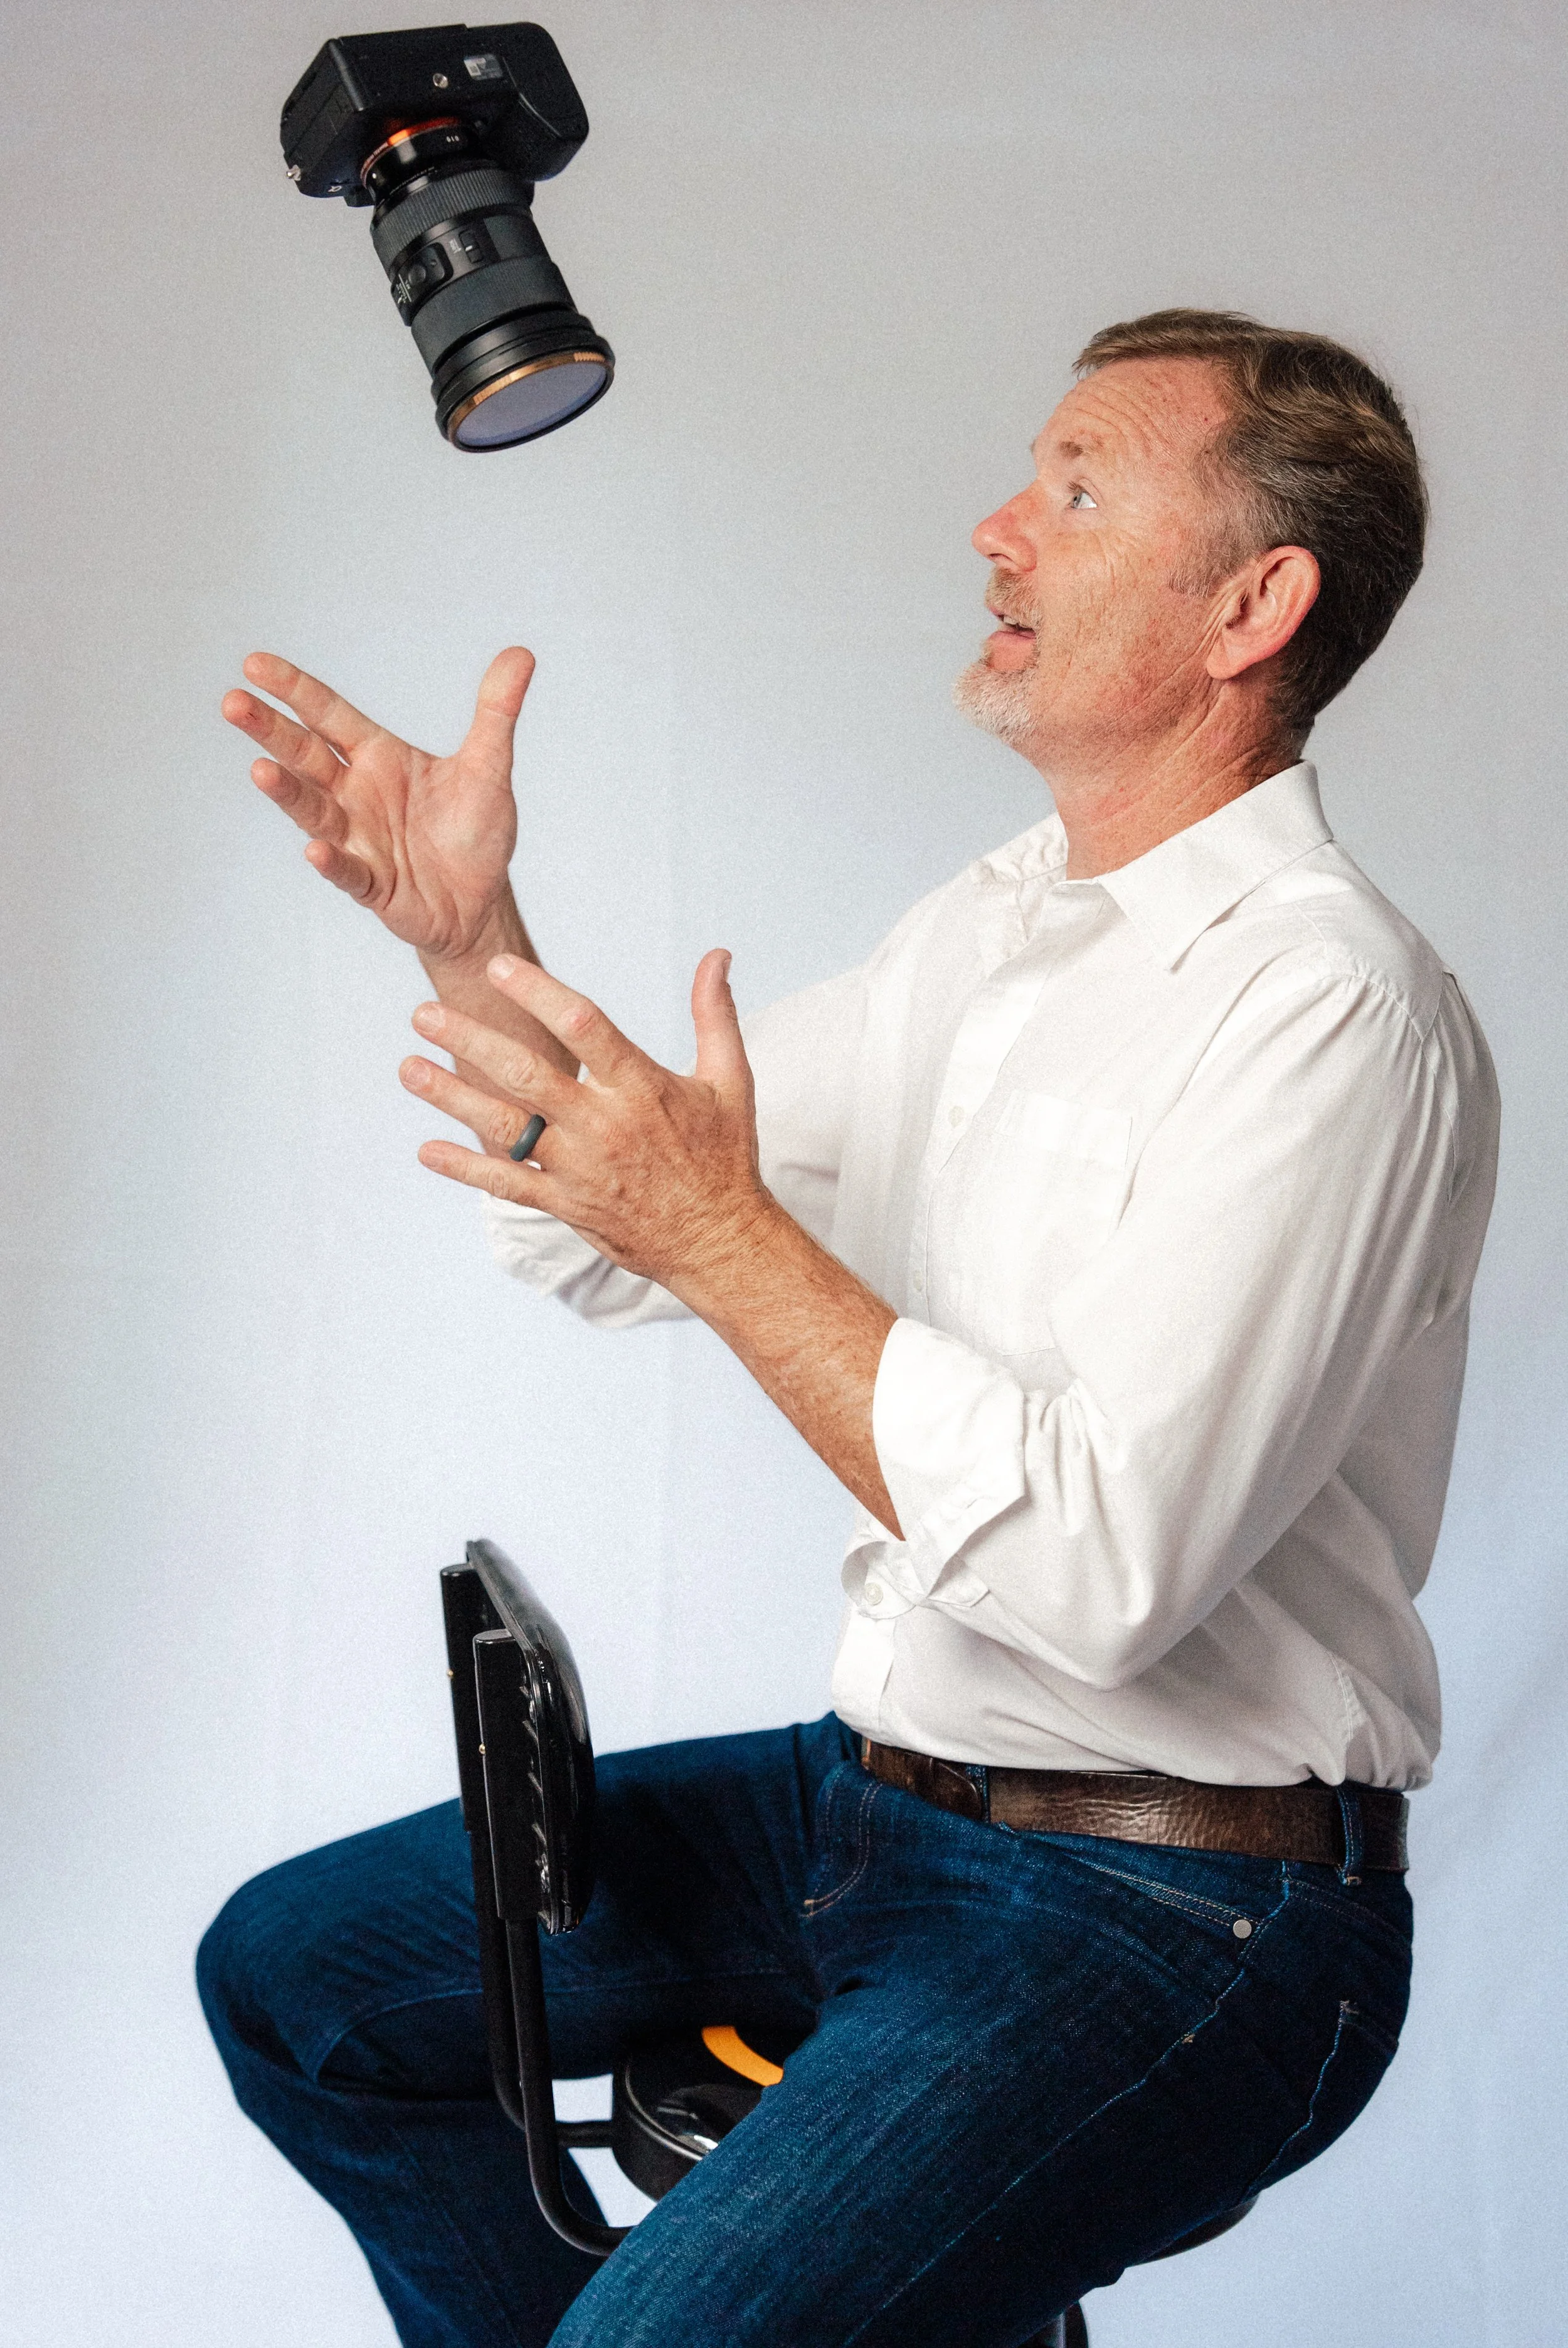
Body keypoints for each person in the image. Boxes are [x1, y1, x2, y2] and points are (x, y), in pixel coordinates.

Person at [198, 309, 1498, 2348]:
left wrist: (714, 1231)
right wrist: (469, 941)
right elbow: (612, 1216)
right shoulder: (986, 933)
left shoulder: (1327, 1011)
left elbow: (1096, 1575)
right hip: (875, 1805)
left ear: (1254, 604)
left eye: (1074, 490)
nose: (997, 527)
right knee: (306, 1979)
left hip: (1183, 1916)